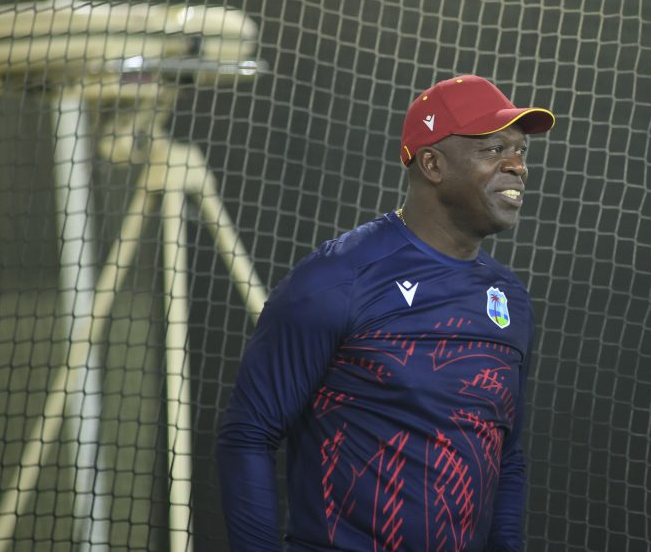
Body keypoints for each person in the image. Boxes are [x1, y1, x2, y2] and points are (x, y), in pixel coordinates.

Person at [217, 75, 555, 551]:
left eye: (521, 151)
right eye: (494, 149)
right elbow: (248, 435)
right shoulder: (338, 280)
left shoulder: (510, 300)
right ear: (432, 164)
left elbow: (507, 456)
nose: (517, 166)